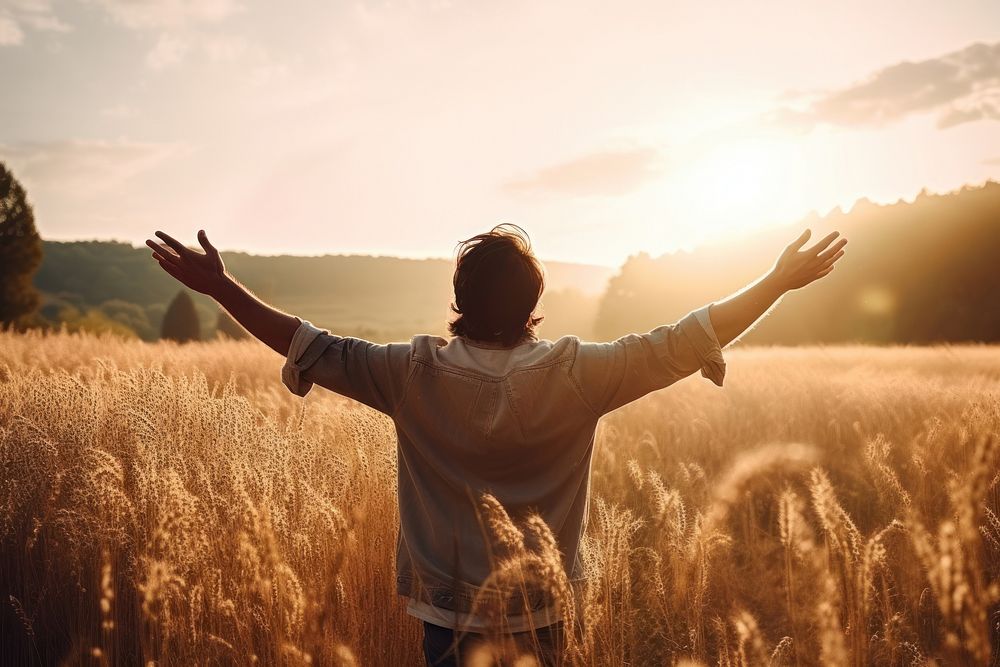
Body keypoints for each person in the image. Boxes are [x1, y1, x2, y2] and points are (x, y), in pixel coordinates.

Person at [146, 224, 846, 665]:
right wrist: (778, 281)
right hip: (543, 614)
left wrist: (222, 287)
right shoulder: (578, 372)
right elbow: (688, 336)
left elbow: (306, 344)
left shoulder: (410, 371)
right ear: (532, 300)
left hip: (446, 617)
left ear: (460, 298)